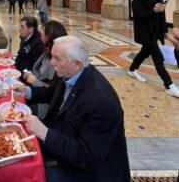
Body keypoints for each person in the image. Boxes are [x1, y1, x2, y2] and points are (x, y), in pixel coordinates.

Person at [12, 36, 131, 182]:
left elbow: (86, 157)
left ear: (77, 64)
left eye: (57, 59)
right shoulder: (70, 73)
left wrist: (45, 133)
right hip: (66, 144)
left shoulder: (101, 102)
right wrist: (27, 91)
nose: (51, 62)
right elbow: (52, 92)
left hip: (93, 173)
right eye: (52, 57)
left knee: (28, 175)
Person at [128, 0, 179, 97]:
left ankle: (131, 69)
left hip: (156, 31)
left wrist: (165, 31)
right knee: (158, 57)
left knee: (144, 52)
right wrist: (153, 10)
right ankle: (169, 86)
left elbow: (162, 15)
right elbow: (139, 16)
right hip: (145, 33)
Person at [23, 20, 67, 118]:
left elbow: (53, 90)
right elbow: (38, 70)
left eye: (43, 30)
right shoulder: (47, 49)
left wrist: (34, 81)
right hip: (38, 92)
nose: (40, 32)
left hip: (47, 104)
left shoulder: (56, 59)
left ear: (49, 35)